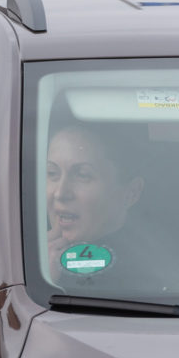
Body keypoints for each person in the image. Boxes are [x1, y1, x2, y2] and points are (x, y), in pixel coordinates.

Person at [45, 121, 152, 283]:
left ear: (131, 193)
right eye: (52, 173)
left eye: (82, 175)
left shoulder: (151, 277)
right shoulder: (20, 260)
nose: (60, 193)